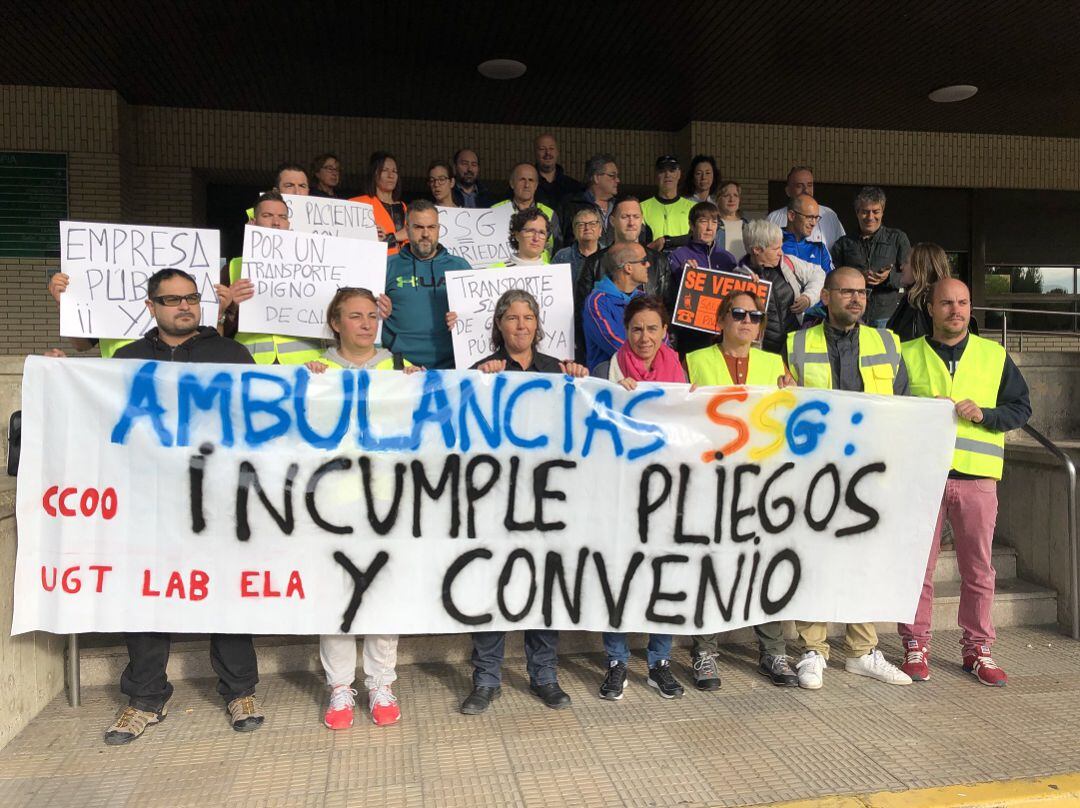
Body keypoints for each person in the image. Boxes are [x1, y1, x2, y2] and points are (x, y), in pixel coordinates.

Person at [90, 269, 262, 744]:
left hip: (218, 497)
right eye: (171, 300)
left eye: (191, 298)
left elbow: (259, 415)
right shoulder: (126, 360)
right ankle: (145, 697)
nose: (184, 307)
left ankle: (239, 690)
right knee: (147, 593)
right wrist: (61, 375)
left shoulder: (231, 354)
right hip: (148, 502)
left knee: (225, 592)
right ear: (152, 307)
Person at [898, 278, 1031, 687]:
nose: (955, 310)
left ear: (970, 307)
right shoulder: (906, 354)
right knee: (918, 567)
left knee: (979, 570)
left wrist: (986, 415)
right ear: (930, 308)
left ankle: (978, 648)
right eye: (946, 303)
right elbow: (889, 410)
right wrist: (921, 410)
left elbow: (1021, 408)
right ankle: (915, 644)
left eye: (962, 303)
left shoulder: (994, 355)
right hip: (924, 477)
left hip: (977, 479)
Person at [462, 289, 588, 715]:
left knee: (543, 587)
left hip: (547, 502)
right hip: (496, 501)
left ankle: (545, 675)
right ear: (498, 325)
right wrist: (479, 381)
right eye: (512, 318)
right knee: (492, 586)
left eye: (528, 318)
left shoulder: (558, 370)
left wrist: (586, 384)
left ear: (537, 324)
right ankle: (486, 678)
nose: (520, 325)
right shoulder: (481, 371)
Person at [786, 267, 913, 689]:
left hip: (867, 469)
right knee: (814, 558)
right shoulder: (796, 343)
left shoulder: (886, 342)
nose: (857, 299)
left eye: (861, 292)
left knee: (862, 560)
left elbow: (905, 404)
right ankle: (813, 649)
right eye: (847, 292)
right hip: (814, 469)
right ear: (825, 295)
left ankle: (862, 650)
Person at [303, 288, 421, 728]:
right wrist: (307, 384)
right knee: (335, 594)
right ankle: (339, 685)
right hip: (332, 502)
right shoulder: (318, 370)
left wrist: (422, 386)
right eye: (356, 316)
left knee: (382, 593)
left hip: (385, 500)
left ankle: (380, 682)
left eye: (372, 315)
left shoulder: (397, 367)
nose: (367, 324)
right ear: (336, 323)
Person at [684, 290, 799, 690]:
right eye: (738, 314)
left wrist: (793, 394)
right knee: (711, 565)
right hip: (712, 479)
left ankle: (774, 651)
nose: (747, 321)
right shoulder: (695, 361)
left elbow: (787, 419)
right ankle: (704, 652)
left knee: (765, 564)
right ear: (721, 321)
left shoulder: (773, 364)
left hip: (762, 480)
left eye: (755, 315)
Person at [589, 295, 687, 700]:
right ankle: (616, 660)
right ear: (624, 332)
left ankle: (658, 661)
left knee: (660, 575)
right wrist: (613, 396)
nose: (644, 337)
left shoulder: (681, 375)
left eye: (652, 328)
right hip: (617, 493)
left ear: (664, 332)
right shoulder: (602, 372)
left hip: (665, 495)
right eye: (636, 329)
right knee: (617, 576)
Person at [225, 191, 327, 365]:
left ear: (288, 224)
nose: (276, 222)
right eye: (267, 216)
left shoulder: (314, 265)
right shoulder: (233, 266)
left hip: (307, 363)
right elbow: (217, 327)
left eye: (282, 217)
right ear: (253, 222)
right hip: (252, 361)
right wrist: (231, 307)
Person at [575, 198, 674, 361]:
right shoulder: (594, 264)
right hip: (609, 368)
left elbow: (666, 314)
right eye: (625, 217)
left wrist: (663, 358)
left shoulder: (659, 261)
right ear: (612, 221)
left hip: (650, 367)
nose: (631, 222)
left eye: (636, 217)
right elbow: (582, 319)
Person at [382, 200, 470, 369]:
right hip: (399, 365)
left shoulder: (460, 266)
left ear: (438, 229)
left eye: (431, 227)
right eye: (418, 227)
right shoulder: (388, 265)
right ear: (406, 229)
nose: (425, 234)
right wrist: (377, 310)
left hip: (451, 365)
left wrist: (464, 317)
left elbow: (477, 315)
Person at [735, 219, 823, 355]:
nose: (781, 252)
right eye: (776, 249)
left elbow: (818, 273)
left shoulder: (788, 262)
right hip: (760, 353)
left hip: (793, 347)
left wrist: (808, 297)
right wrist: (747, 291)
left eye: (781, 247)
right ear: (757, 250)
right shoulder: (737, 276)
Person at [831, 186, 912, 327]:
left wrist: (888, 277)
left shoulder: (897, 238)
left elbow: (911, 277)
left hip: (886, 316)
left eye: (876, 212)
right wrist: (857, 277)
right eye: (865, 212)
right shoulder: (844, 244)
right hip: (852, 316)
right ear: (857, 212)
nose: (870, 217)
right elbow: (832, 278)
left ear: (882, 212)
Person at [668, 202, 740, 355]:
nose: (709, 228)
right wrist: (683, 273)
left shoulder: (727, 258)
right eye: (703, 221)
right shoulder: (678, 256)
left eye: (714, 222)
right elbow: (671, 295)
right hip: (691, 335)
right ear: (691, 225)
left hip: (722, 334)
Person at [583, 243, 649, 371]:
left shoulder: (645, 298)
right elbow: (615, 343)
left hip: (648, 376)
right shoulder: (597, 302)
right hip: (612, 380)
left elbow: (663, 337)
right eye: (644, 261)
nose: (648, 265)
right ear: (628, 268)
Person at [887, 242, 954, 341]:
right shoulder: (912, 299)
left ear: (920, 268)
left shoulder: (923, 302)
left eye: (906, 262)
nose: (901, 267)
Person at [767, 166, 845, 249]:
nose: (806, 190)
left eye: (809, 185)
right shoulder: (773, 219)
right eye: (799, 186)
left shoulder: (829, 216)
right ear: (788, 191)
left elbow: (842, 249)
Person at [493, 163, 561, 253]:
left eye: (531, 180)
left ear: (536, 185)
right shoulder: (495, 211)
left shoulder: (550, 214)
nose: (526, 185)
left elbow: (558, 250)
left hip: (541, 266)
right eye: (522, 180)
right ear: (512, 183)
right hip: (506, 266)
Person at [350, 151, 408, 256]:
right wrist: (395, 237)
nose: (391, 175)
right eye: (385, 170)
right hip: (374, 263)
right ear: (374, 174)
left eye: (394, 171)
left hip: (402, 267)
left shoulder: (404, 207)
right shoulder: (358, 204)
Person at [558, 153, 620, 248]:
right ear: (596, 178)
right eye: (612, 176)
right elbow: (561, 241)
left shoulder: (620, 206)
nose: (617, 180)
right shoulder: (571, 205)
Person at [641, 155, 695, 250]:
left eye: (672, 170)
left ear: (679, 174)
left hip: (684, 261)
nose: (667, 175)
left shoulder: (692, 207)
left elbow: (696, 238)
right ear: (656, 175)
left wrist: (667, 241)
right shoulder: (641, 207)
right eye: (662, 171)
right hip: (653, 261)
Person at [782, 195, 833, 274]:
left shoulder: (820, 250)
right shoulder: (772, 245)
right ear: (791, 215)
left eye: (816, 218)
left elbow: (830, 282)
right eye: (809, 217)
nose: (814, 223)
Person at [552, 207, 602, 285]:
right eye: (581, 225)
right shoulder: (562, 257)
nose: (587, 228)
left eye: (592, 224)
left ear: (600, 230)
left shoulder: (609, 255)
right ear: (574, 232)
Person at [534, 133, 583, 209]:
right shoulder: (526, 186)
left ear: (557, 152)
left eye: (551, 148)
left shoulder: (574, 187)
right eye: (542, 149)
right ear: (535, 153)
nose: (548, 153)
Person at [717, 181, 747, 257]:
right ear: (718, 199)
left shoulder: (747, 226)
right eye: (727, 195)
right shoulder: (712, 226)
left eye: (735, 195)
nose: (732, 199)